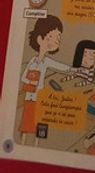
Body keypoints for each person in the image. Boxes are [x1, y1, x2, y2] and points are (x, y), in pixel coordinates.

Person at [19, 15, 70, 143]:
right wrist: (31, 82)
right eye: (51, 37)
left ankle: (36, 144)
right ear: (40, 39)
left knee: (39, 123)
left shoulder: (46, 61)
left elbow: (60, 66)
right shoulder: (33, 61)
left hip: (40, 97)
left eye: (58, 37)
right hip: (29, 96)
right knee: (26, 123)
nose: (56, 41)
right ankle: (23, 143)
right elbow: (23, 77)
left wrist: (75, 70)